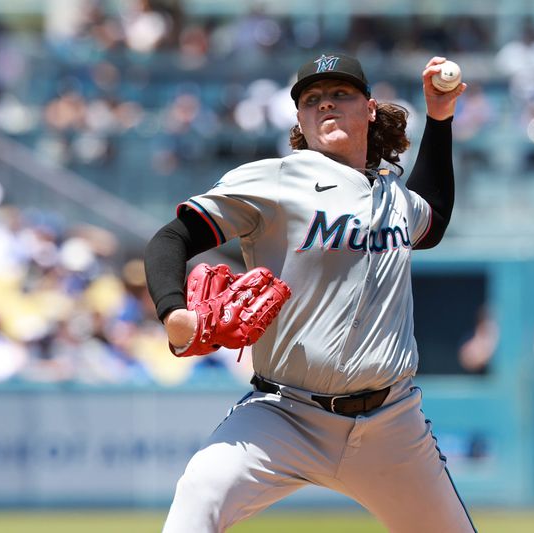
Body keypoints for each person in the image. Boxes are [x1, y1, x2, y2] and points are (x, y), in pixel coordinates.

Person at [144, 52, 473, 532]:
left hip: (391, 424)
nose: (326, 105)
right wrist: (174, 313)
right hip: (285, 414)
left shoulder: (392, 195)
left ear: (370, 109)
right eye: (312, 99)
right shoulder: (277, 178)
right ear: (299, 118)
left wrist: (440, 120)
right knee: (200, 492)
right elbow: (173, 237)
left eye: (341, 94)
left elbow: (433, 219)